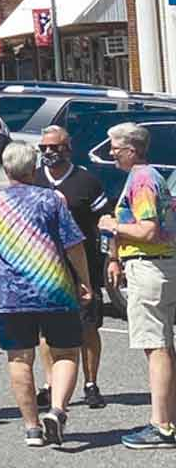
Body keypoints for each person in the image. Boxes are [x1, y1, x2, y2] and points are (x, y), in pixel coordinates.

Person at [0, 142, 92, 447]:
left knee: (19, 359)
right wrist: (84, 280)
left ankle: (31, 428)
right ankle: (57, 410)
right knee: (66, 352)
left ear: (7, 168)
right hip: (56, 289)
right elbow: (73, 245)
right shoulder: (51, 200)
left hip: (14, 295)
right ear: (32, 169)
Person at [97, 122, 176, 449]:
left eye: (114, 146)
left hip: (149, 267)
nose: (111, 152)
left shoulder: (142, 180)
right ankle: (168, 419)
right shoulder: (151, 176)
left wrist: (112, 224)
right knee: (164, 347)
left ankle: (161, 425)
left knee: (156, 346)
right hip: (161, 266)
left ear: (131, 149)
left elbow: (147, 230)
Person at [33, 125, 111, 411]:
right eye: (43, 148)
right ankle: (51, 384)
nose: (49, 153)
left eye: (54, 147)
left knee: (88, 326)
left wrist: (110, 258)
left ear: (68, 148)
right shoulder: (35, 179)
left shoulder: (86, 181)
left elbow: (104, 221)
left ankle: (91, 384)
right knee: (46, 331)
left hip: (82, 265)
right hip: (42, 267)